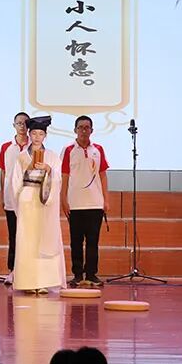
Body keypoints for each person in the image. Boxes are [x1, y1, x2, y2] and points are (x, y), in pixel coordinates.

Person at [11, 116, 65, 294]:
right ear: (29, 134)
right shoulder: (21, 157)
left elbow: (58, 178)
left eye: (40, 134)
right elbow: (15, 182)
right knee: (27, 240)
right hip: (27, 198)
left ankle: (43, 281)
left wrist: (48, 170)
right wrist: (19, 200)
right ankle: (27, 282)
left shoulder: (52, 156)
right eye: (34, 133)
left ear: (45, 136)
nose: (37, 137)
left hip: (44, 200)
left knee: (44, 238)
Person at [61, 115, 109, 287]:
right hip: (75, 204)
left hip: (95, 203)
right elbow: (64, 176)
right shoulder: (68, 150)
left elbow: (103, 175)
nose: (83, 130)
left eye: (87, 127)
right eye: (80, 127)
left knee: (93, 242)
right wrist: (63, 200)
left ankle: (91, 274)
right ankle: (77, 275)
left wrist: (106, 199)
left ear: (92, 130)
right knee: (76, 242)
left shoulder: (98, 149)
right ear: (75, 130)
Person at [0, 112, 31, 285]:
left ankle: (28, 270)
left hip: (29, 199)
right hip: (11, 198)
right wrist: (3, 195)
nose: (22, 126)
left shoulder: (35, 146)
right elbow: (3, 172)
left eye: (25, 123)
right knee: (14, 235)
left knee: (29, 235)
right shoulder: (6, 147)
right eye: (19, 123)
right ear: (14, 125)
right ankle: (12, 270)